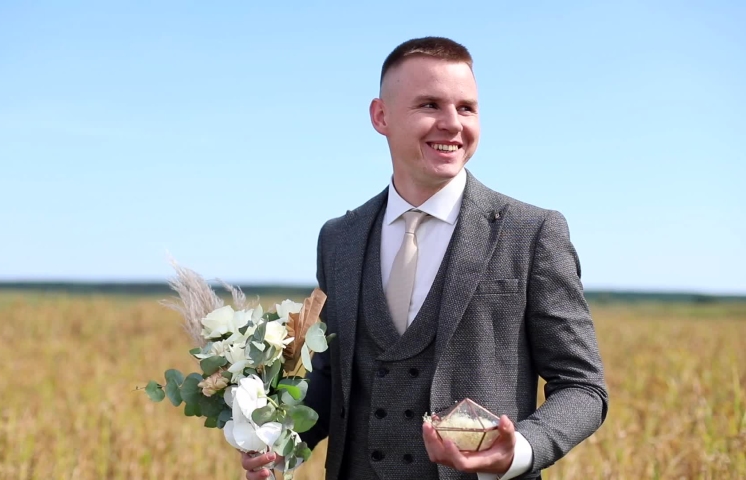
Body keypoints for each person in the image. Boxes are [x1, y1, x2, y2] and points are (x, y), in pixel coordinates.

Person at [241, 36, 608, 480]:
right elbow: (331, 378)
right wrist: (282, 443)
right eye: (430, 105)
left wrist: (521, 450)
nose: (452, 124)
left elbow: (583, 387)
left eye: (467, 108)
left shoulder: (532, 232)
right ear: (381, 116)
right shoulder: (338, 238)